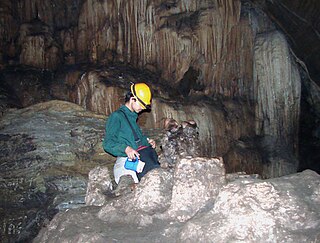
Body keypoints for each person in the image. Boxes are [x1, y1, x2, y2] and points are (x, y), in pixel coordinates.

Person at [103, 83, 157, 193]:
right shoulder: (117, 116)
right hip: (127, 163)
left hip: (140, 159)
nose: (142, 108)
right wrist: (125, 149)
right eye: (141, 104)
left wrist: (148, 142)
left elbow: (135, 139)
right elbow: (108, 143)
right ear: (133, 99)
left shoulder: (132, 118)